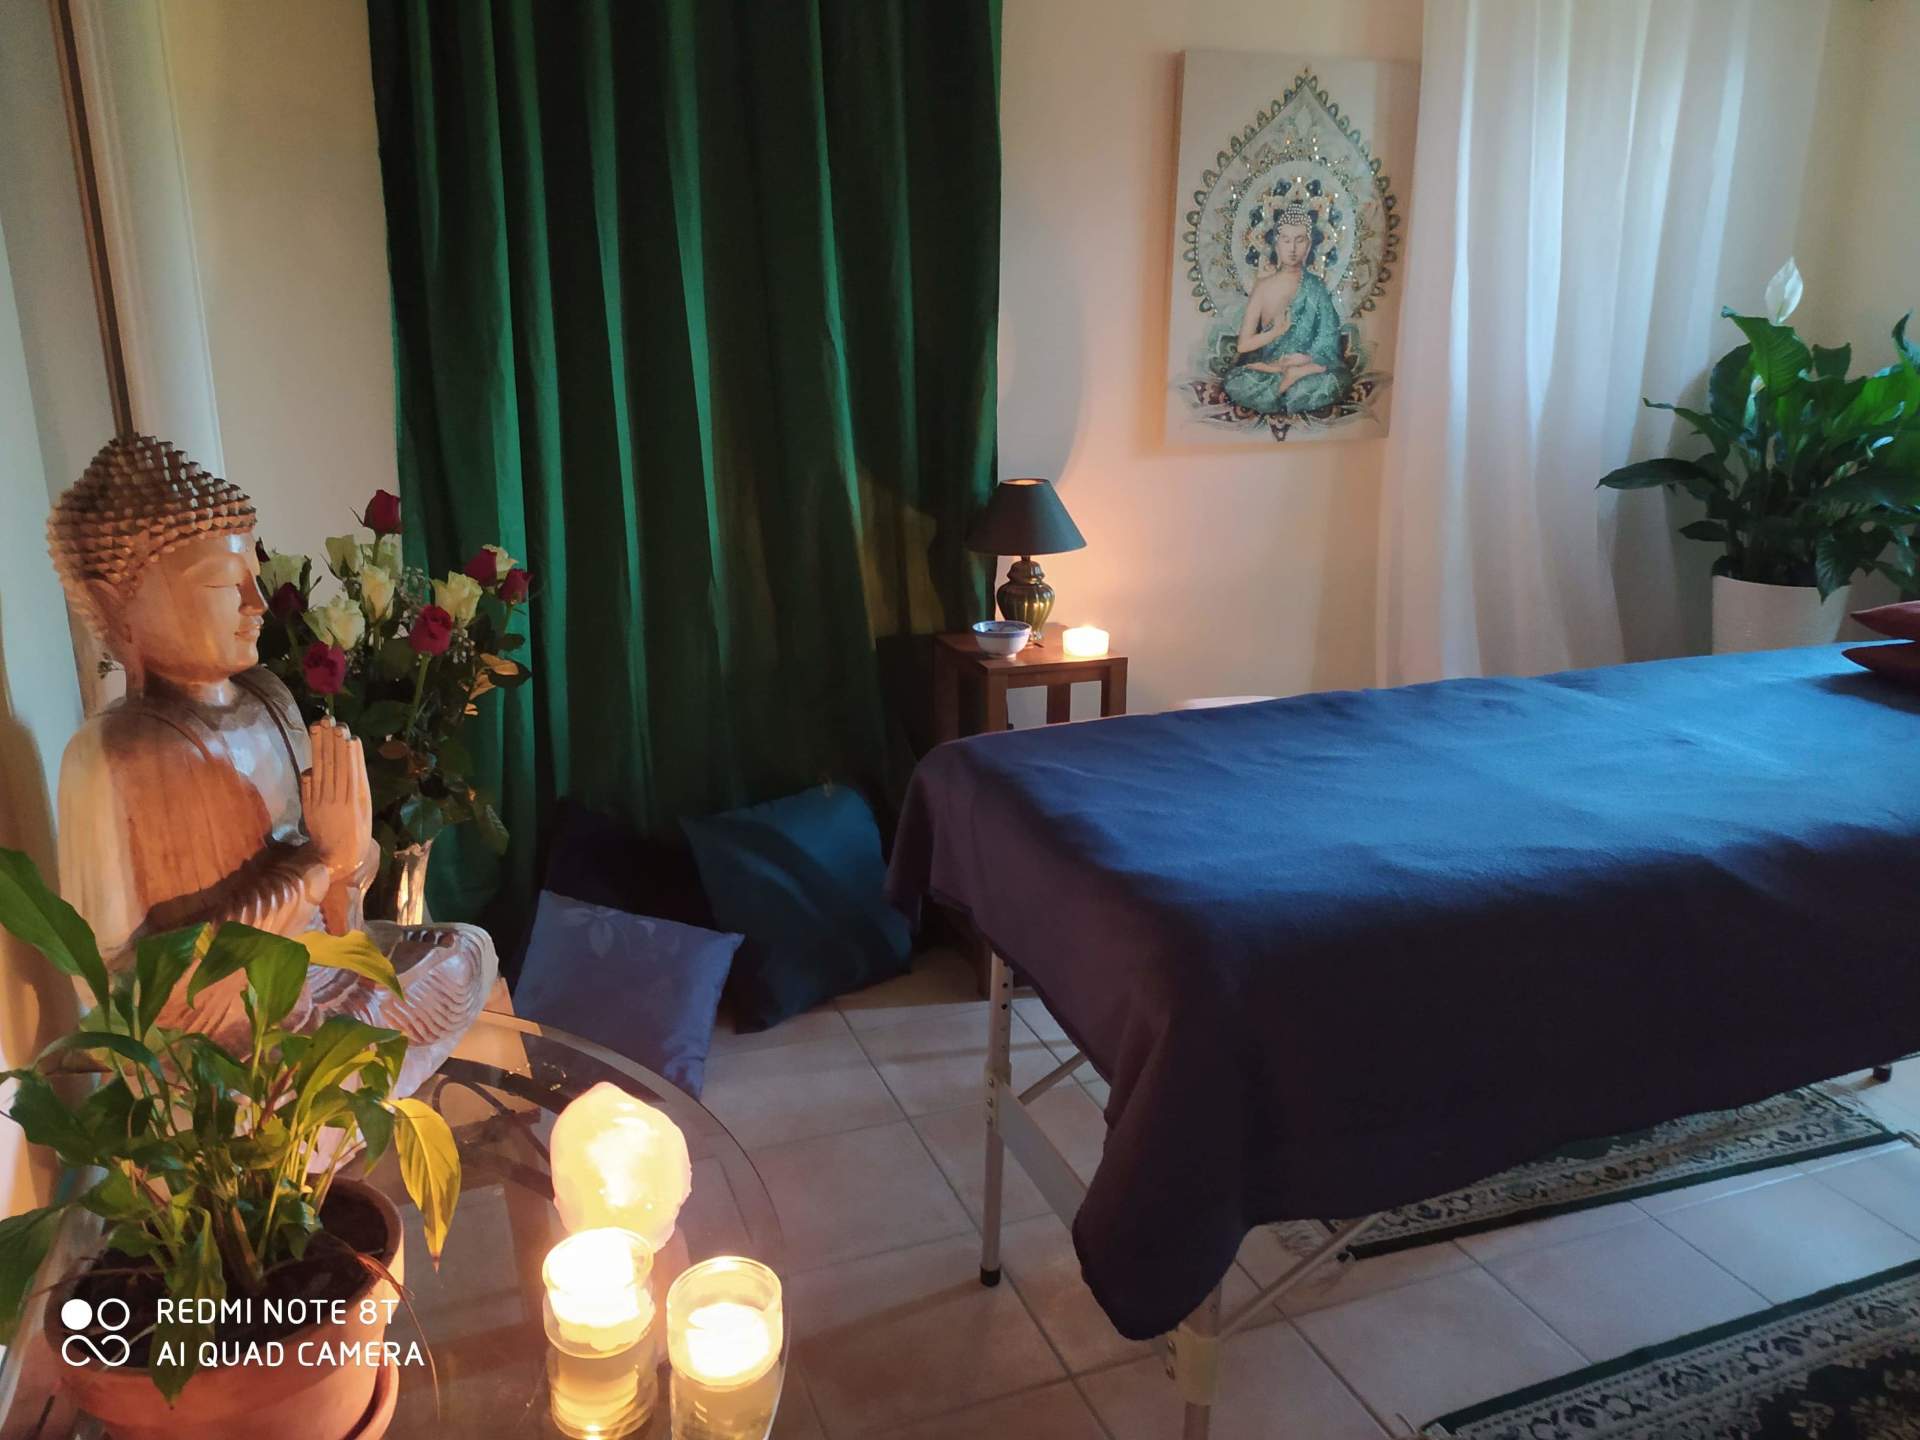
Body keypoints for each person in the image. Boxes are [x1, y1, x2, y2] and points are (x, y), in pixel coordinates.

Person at [48, 434, 494, 1091]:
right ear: (117, 605)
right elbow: (124, 987)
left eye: (252, 576)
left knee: (466, 951)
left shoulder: (270, 696)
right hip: (236, 1027)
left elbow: (341, 907)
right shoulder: (111, 754)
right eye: (223, 584)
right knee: (287, 1077)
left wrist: (349, 861)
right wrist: (321, 865)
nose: (256, 603)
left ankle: (348, 1064)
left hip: (326, 975)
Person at [1222, 205, 1350, 416]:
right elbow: (1244, 345)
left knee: (1335, 381)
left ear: (1308, 246)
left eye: (1299, 240)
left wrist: (1306, 360)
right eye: (1286, 240)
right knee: (1236, 382)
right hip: (1272, 366)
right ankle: (1286, 380)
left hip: (1307, 367)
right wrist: (1276, 332)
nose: (1292, 248)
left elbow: (1328, 338)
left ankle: (1290, 381)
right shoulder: (1263, 287)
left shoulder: (1316, 287)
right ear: (1276, 244)